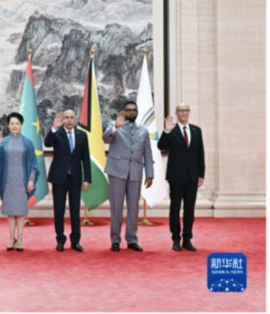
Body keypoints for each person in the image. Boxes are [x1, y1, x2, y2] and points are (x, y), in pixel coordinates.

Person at [103, 101, 154, 252]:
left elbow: (148, 153)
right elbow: (105, 138)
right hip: (117, 172)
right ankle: (115, 240)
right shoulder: (115, 126)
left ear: (137, 112)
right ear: (123, 112)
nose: (131, 112)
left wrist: (150, 174)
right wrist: (115, 127)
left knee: (133, 208)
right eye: (128, 110)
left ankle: (132, 239)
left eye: (134, 110)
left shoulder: (143, 131)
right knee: (116, 208)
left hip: (135, 173)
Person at [157, 103, 205, 252]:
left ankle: (187, 239)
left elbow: (200, 154)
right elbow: (161, 146)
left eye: (186, 110)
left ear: (189, 112)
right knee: (175, 208)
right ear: (176, 113)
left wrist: (201, 174)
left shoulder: (196, 130)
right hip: (176, 177)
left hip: (192, 177)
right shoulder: (171, 130)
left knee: (190, 209)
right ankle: (176, 239)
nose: (184, 113)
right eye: (181, 110)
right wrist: (166, 131)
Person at [44, 110, 91, 252]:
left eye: (72, 117)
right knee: (59, 211)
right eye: (66, 118)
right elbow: (47, 143)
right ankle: (60, 240)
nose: (69, 120)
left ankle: (75, 241)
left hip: (75, 179)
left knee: (75, 211)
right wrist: (53, 128)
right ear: (62, 119)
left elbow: (85, 159)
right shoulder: (57, 133)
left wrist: (87, 178)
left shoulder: (82, 135)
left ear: (75, 119)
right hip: (59, 178)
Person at [0, 112, 38, 252]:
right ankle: (11, 238)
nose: (14, 126)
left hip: (22, 181)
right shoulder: (3, 142)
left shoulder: (28, 142)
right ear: (8, 125)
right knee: (11, 212)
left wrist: (31, 180)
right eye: (12, 123)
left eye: (17, 123)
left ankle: (21, 238)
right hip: (8, 181)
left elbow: (33, 164)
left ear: (21, 125)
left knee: (21, 212)